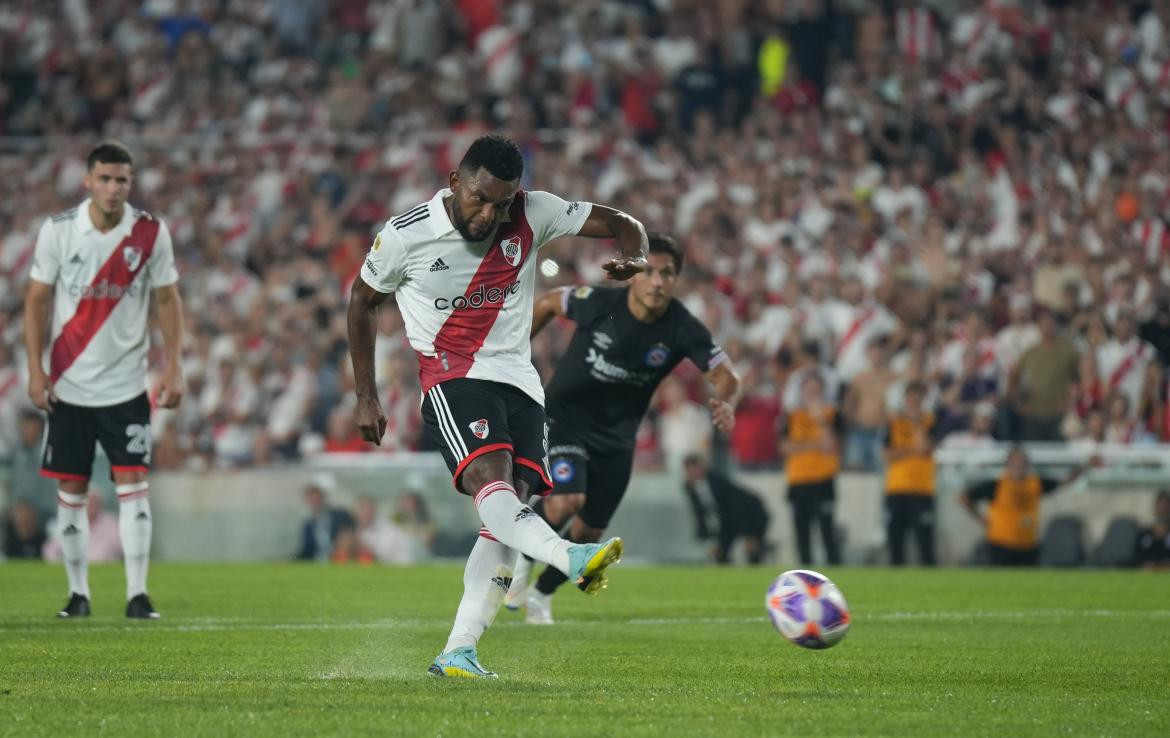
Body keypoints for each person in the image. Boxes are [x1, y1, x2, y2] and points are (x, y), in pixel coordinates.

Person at [347, 135, 644, 678]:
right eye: (480, 198)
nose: (490, 213)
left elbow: (620, 220)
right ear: (456, 181)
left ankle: (459, 650)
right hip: (454, 376)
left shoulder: (535, 213)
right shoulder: (405, 235)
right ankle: (568, 556)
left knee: (506, 517)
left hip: (522, 383)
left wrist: (635, 253)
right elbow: (362, 301)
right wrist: (365, 393)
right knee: (495, 489)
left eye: (502, 203)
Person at [504, 233, 741, 623]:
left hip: (617, 438)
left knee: (590, 532)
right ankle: (524, 558)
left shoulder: (681, 327)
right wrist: (510, 349)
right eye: (649, 271)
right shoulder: (600, 303)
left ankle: (541, 595)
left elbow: (726, 374)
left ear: (676, 279)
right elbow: (548, 302)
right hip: (565, 417)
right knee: (567, 500)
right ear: (634, 274)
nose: (657, 281)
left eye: (667, 274)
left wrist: (727, 401)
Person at [23, 141, 184, 619]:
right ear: (88, 181)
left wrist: (174, 365)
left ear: (130, 184)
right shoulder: (58, 232)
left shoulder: (150, 233)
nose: (115, 188)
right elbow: (36, 301)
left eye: (123, 180)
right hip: (69, 385)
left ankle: (137, 594)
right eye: (106, 179)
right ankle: (78, 594)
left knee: (133, 482)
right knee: (71, 488)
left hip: (127, 386)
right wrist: (35, 370)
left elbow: (168, 300)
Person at [961, 447, 1089, 566]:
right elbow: (964, 497)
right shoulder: (997, 485)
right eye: (1016, 462)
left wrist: (1085, 466)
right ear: (1008, 464)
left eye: (1022, 462)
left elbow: (1064, 481)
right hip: (1000, 545)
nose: (1019, 465)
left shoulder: (1035, 483)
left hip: (1028, 546)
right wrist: (981, 519)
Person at [781, 372, 842, 566]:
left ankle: (834, 572)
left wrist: (821, 420)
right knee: (802, 534)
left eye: (817, 390)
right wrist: (814, 445)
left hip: (823, 478)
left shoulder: (832, 414)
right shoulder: (792, 416)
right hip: (798, 479)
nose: (813, 394)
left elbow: (834, 444)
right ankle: (806, 575)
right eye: (810, 390)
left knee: (827, 531)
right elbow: (785, 447)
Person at [883, 381, 941, 565]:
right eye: (911, 398)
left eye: (918, 398)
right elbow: (887, 455)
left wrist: (916, 424)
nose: (914, 402)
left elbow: (926, 447)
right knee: (895, 542)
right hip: (896, 487)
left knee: (925, 542)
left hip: (922, 488)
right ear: (905, 399)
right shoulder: (894, 423)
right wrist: (911, 450)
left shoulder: (931, 421)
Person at [681, 454, 768, 565]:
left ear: (703, 468)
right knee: (720, 553)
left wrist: (749, 534)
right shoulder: (690, 488)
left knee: (752, 551)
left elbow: (737, 507)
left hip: (752, 513)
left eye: (696, 469)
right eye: (690, 471)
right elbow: (700, 514)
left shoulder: (717, 482)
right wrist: (708, 540)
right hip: (727, 519)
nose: (693, 473)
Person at [43, 489, 123, 563]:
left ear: (100, 505)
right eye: (88, 503)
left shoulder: (112, 522)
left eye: (95, 503)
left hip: (105, 569)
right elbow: (50, 551)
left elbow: (123, 549)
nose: (92, 506)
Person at [295, 479, 354, 561]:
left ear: (323, 498)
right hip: (316, 561)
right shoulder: (308, 525)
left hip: (339, 558)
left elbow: (348, 536)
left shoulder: (340, 515)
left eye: (317, 499)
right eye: (312, 500)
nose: (315, 502)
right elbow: (306, 550)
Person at [1134, 491, 1170, 571]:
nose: (1162, 510)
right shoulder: (1145, 535)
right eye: (1160, 506)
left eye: (1165, 507)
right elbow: (1137, 556)